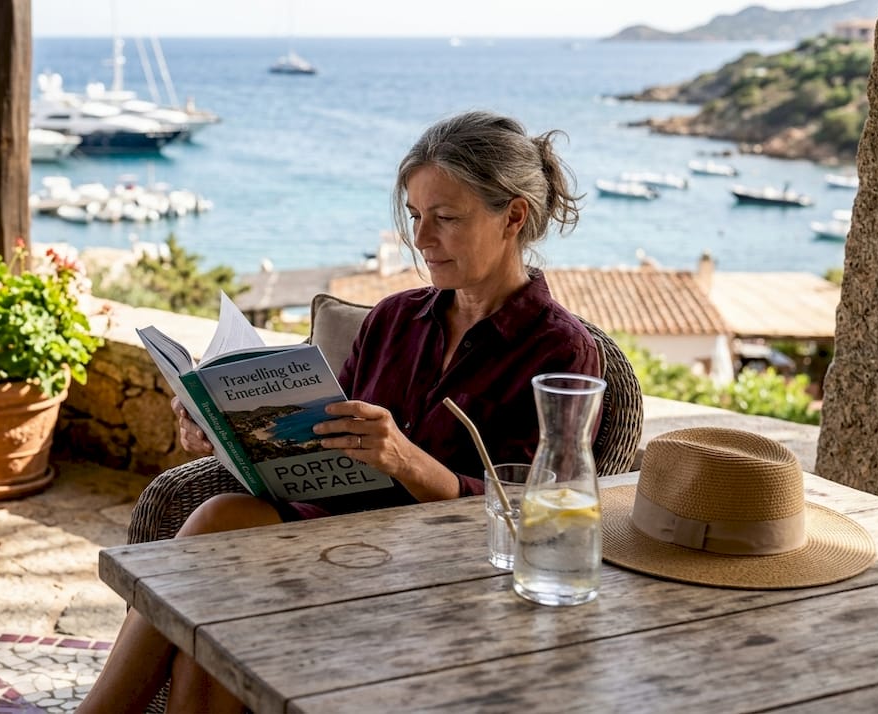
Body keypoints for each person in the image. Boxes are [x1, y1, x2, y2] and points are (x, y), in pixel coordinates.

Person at [79, 110, 602, 713]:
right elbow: (324, 432)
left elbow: (539, 517)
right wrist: (230, 431)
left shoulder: (560, 350)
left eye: (446, 218)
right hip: (329, 534)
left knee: (219, 555)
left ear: (512, 216)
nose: (421, 238)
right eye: (415, 216)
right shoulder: (394, 319)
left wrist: (408, 460)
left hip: (437, 567)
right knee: (221, 526)